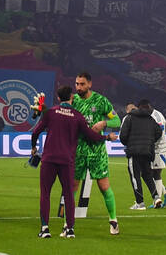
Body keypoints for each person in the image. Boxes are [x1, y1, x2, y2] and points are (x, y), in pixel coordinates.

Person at [30, 84, 109, 238]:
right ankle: (70, 229)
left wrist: (33, 147)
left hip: (49, 159)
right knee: (68, 194)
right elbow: (90, 136)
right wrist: (106, 137)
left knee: (45, 193)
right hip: (67, 160)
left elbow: (35, 132)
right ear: (71, 97)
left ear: (59, 98)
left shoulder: (51, 112)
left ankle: (45, 229)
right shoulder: (78, 116)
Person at [71, 71, 122, 235]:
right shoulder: (73, 101)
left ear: (90, 84)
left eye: (82, 84)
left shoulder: (101, 101)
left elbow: (117, 120)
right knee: (72, 186)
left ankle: (113, 220)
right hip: (77, 151)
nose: (79, 87)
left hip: (97, 151)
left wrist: (104, 123)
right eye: (77, 84)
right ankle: (69, 224)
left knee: (104, 186)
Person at [120, 99, 162, 210]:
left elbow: (123, 136)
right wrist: (150, 141)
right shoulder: (150, 118)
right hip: (147, 151)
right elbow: (159, 132)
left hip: (134, 152)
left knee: (135, 176)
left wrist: (129, 143)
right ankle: (156, 197)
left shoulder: (129, 118)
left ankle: (140, 203)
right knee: (147, 175)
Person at [146, 100, 166, 208]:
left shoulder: (157, 117)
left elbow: (158, 135)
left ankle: (157, 202)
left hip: (159, 149)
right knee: (149, 173)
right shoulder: (151, 115)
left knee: (156, 174)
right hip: (152, 148)